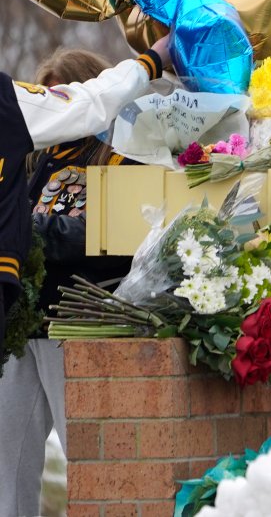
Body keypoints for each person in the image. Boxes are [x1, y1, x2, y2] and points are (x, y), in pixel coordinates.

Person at [0, 40, 169, 517]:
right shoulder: (34, 158)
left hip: (76, 323)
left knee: (89, 461)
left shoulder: (125, 154)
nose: (59, 117)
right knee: (8, 468)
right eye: (48, 96)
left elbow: (120, 234)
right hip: (23, 325)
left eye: (64, 97)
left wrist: (34, 234)